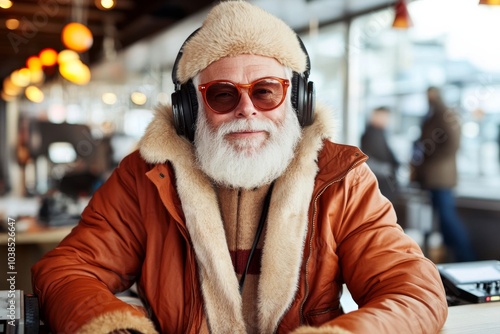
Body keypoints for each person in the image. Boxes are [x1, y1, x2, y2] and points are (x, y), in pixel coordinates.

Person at [32, 2, 448, 333]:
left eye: (266, 91)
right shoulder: (143, 177)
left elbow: (413, 291)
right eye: (223, 95)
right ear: (190, 110)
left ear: (297, 102)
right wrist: (116, 330)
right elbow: (67, 269)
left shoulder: (341, 178)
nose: (247, 109)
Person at [411, 86, 476, 263]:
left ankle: (467, 259)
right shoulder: (433, 113)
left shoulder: (445, 113)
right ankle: (454, 259)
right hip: (433, 178)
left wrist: (431, 158)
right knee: (442, 221)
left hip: (441, 178)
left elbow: (453, 143)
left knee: (448, 219)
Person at [360, 106, 400, 201]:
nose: (387, 120)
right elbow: (371, 159)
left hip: (382, 179)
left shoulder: (380, 132)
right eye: (384, 116)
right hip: (380, 179)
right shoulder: (371, 134)